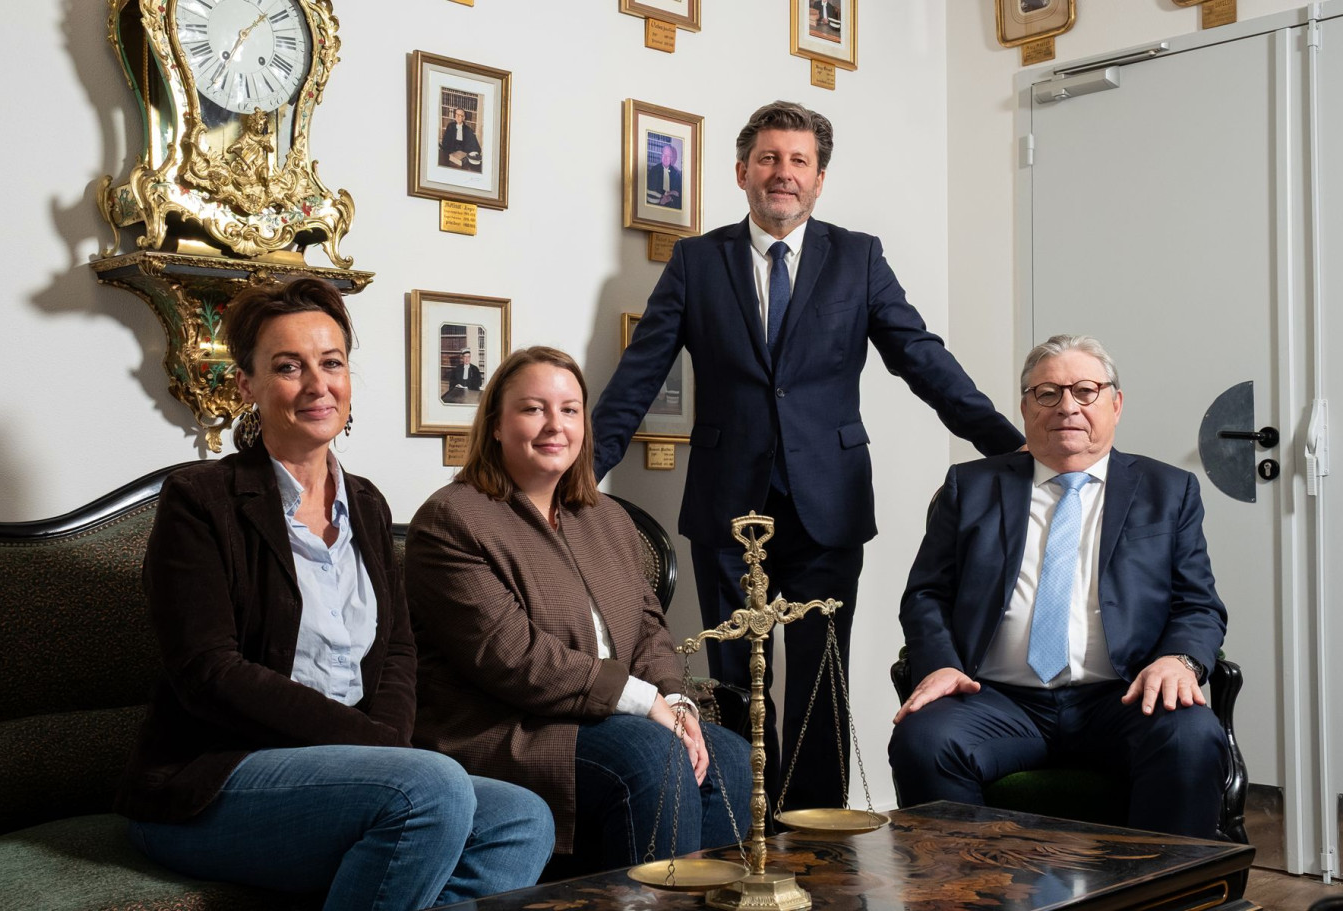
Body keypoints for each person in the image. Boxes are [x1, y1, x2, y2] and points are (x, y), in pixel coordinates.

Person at [591, 100, 1023, 812]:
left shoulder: (858, 258)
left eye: (798, 161)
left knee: (823, 679)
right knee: (735, 676)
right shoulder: (698, 262)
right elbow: (638, 378)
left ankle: (817, 833)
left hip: (829, 501)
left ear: (820, 179)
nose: (781, 174)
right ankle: (738, 822)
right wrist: (574, 481)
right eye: (768, 159)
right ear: (741, 172)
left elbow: (921, 358)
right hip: (728, 506)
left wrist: (1009, 446)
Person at [115, 279, 554, 910]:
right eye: (288, 367)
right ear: (248, 386)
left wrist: (385, 751)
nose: (318, 385)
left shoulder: (367, 504)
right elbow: (209, 671)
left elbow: (399, 647)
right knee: (430, 789)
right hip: (216, 780)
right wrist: (374, 749)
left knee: (522, 818)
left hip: (361, 771)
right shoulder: (200, 501)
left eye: (332, 363)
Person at [405, 346, 752, 873]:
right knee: (653, 757)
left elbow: (649, 630)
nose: (554, 425)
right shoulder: (452, 520)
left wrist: (677, 699)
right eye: (532, 409)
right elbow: (513, 658)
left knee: (727, 757)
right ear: (496, 425)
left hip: (604, 717)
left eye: (569, 410)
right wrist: (641, 701)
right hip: (510, 727)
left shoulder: (606, 518)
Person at [889, 334, 1230, 839]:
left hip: (1123, 697)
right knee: (924, 740)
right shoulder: (972, 487)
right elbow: (926, 595)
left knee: (1192, 738)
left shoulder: (1168, 491)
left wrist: (1177, 660)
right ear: (1026, 408)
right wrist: (940, 663)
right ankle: (970, 895)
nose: (1067, 406)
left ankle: (1160, 898)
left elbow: (1198, 603)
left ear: (1116, 404)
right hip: (997, 699)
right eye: (1047, 393)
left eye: (1085, 391)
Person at [647, 142, 682, 209]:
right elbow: (651, 190)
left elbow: (679, 194)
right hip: (656, 206)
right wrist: (668, 194)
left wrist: (670, 198)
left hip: (671, 206)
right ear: (661, 156)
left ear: (672, 158)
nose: (665, 158)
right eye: (664, 155)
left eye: (668, 156)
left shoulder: (676, 174)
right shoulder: (654, 170)